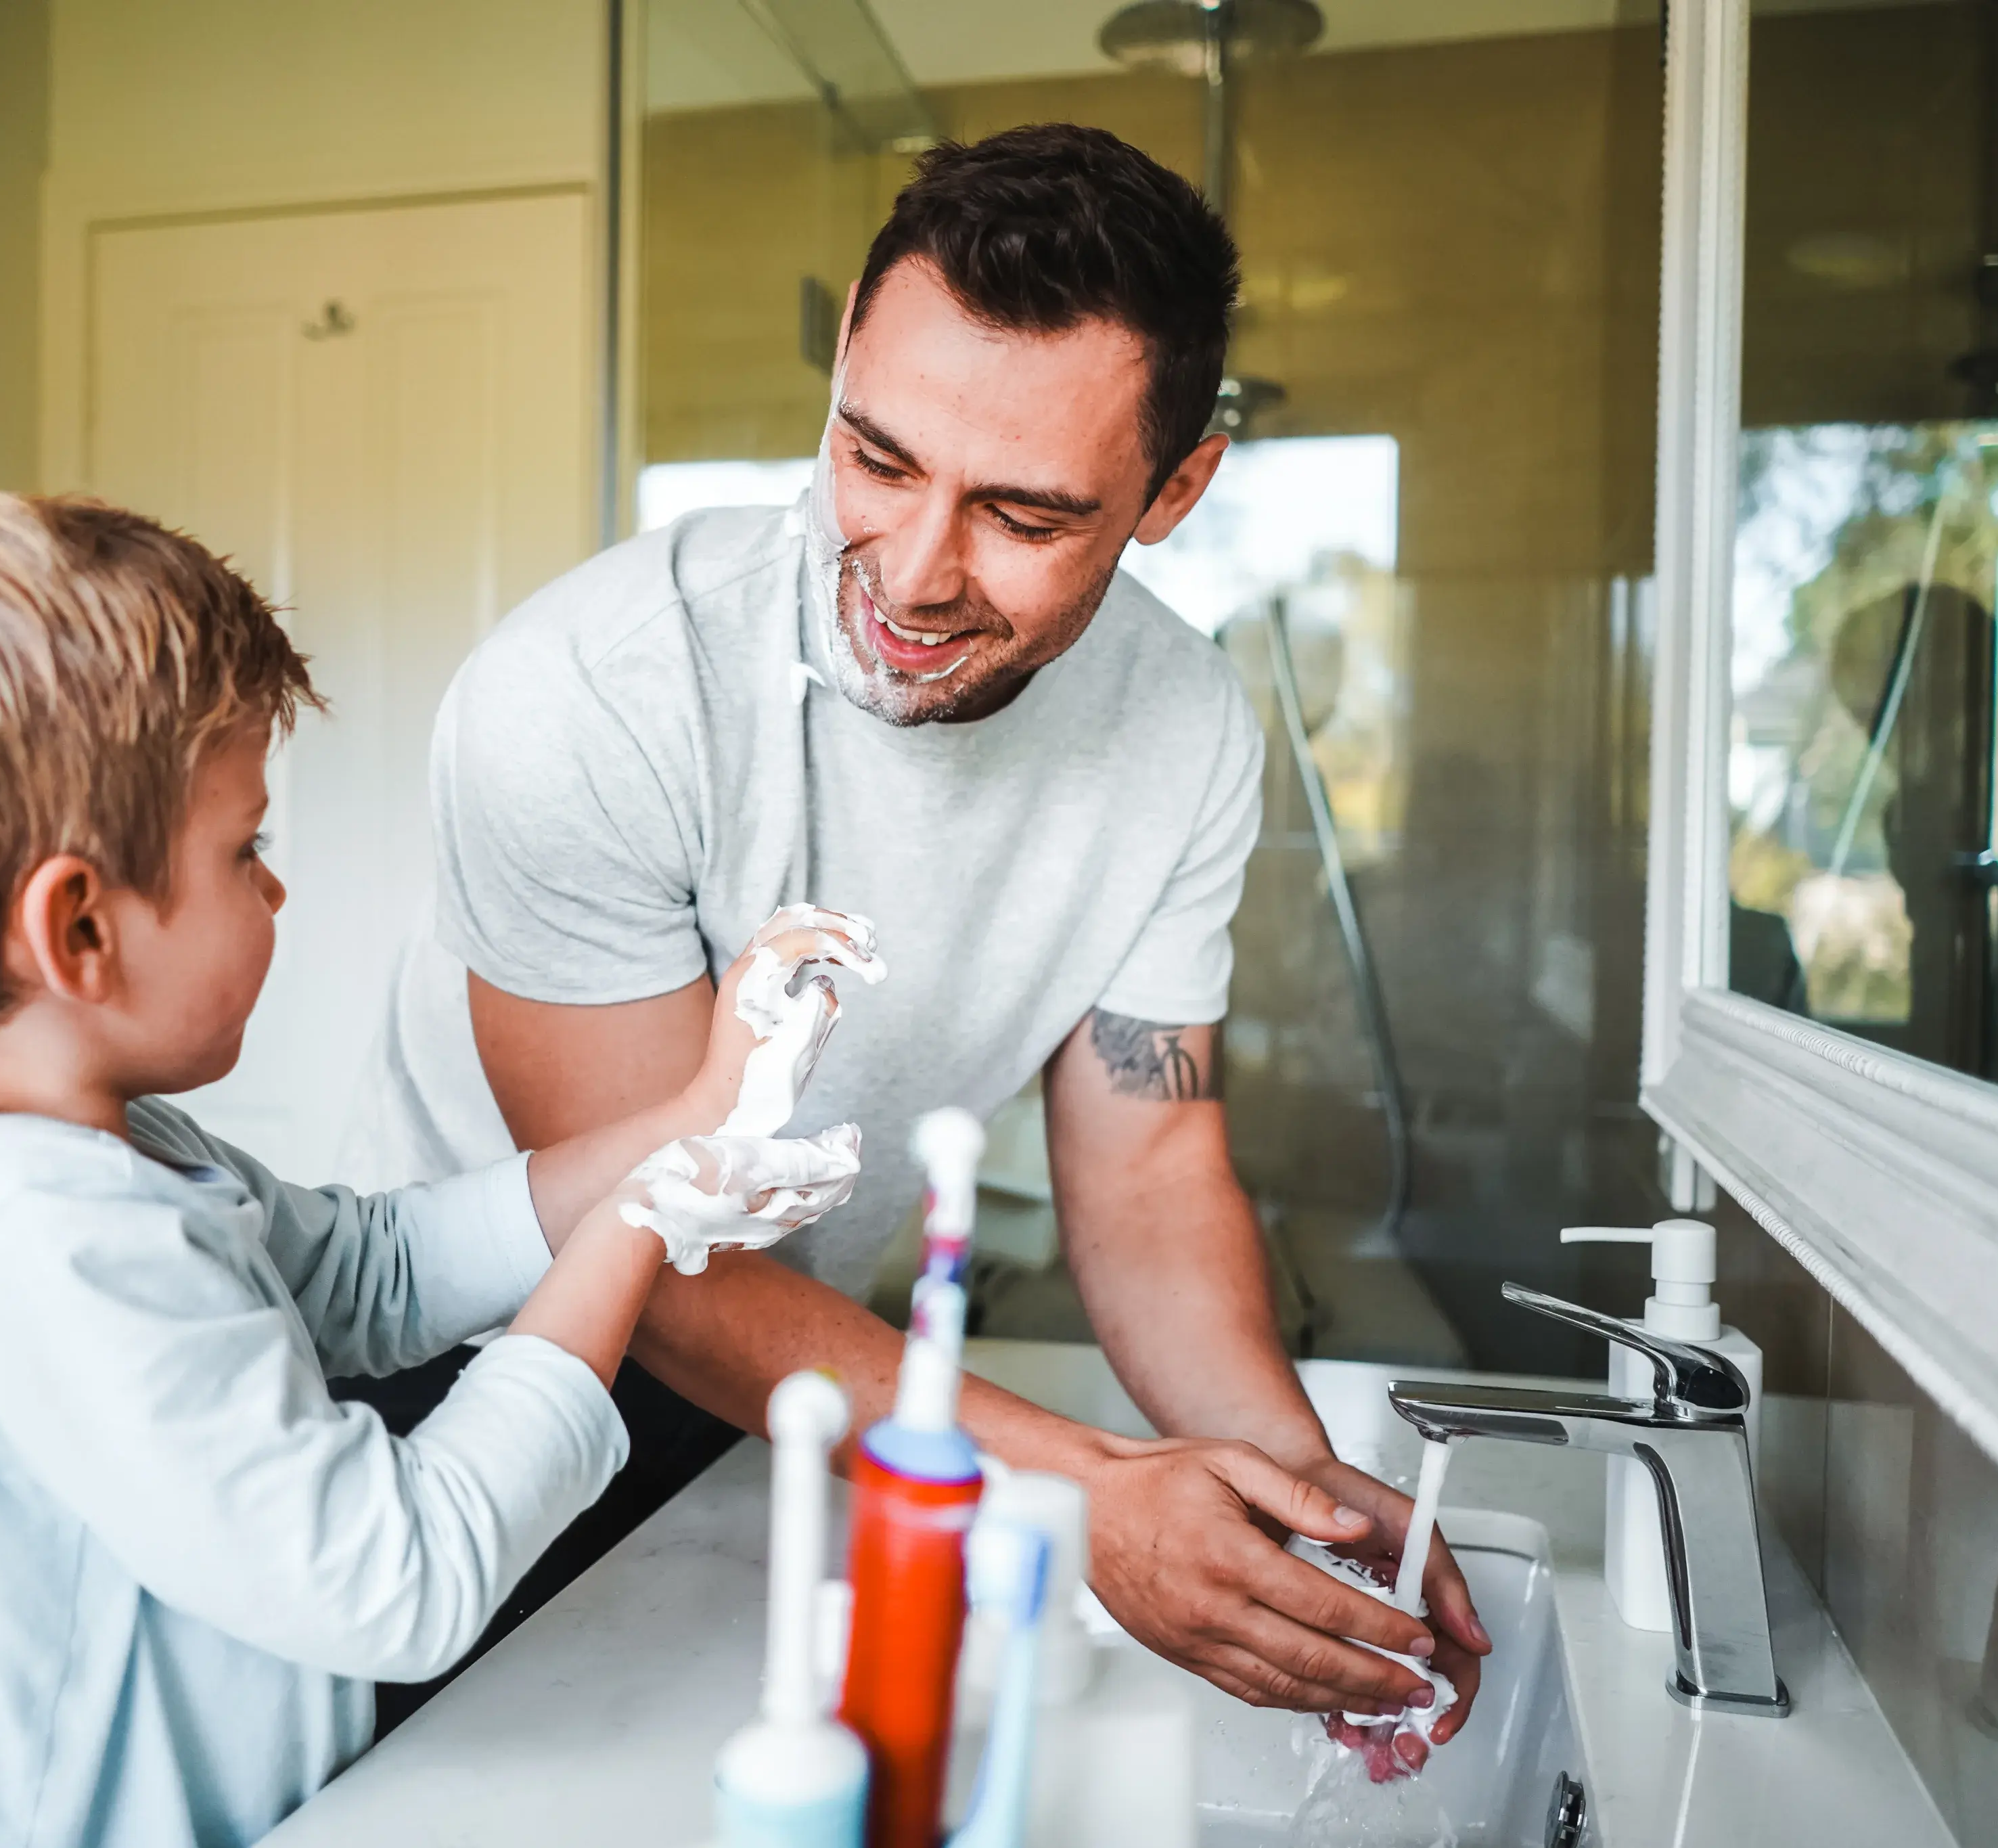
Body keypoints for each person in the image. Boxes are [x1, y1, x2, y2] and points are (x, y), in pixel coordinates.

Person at [353, 122, 1488, 1755]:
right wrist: (1079, 1486)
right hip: (481, 1393)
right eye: (877, 458)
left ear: (1174, 491)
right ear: (841, 373)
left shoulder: (1183, 729)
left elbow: (1151, 1172)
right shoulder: (593, 696)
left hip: (807, 1394)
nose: (912, 569)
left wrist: (1293, 1509)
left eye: (1023, 513)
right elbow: (647, 1232)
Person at [0, 477, 870, 1845]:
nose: (274, 886)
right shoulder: (35, 1235)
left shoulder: (65, 1151)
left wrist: (688, 1112)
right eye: (245, 847)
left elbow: (370, 1272)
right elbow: (402, 1575)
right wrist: (637, 1225)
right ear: (80, 930)